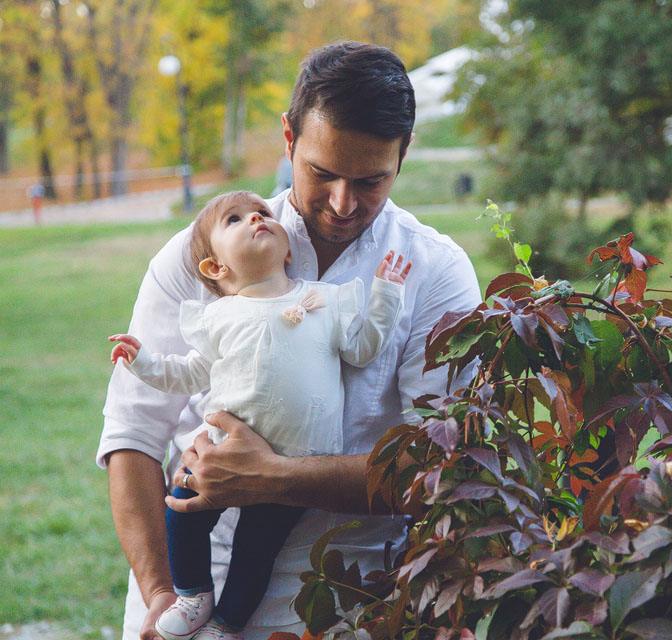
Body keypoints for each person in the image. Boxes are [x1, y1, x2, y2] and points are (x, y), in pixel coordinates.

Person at [98, 42, 481, 640]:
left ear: (403, 154)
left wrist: (275, 476)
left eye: (371, 180)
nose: (343, 203)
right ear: (288, 138)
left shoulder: (435, 272)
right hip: (191, 588)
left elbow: (438, 466)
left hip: (353, 600)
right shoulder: (201, 252)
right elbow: (133, 434)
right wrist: (158, 593)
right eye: (322, 174)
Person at [108, 190, 410, 640]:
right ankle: (193, 594)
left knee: (257, 549)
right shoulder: (217, 317)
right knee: (182, 512)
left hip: (297, 462)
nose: (254, 218)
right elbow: (188, 373)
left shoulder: (323, 301)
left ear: (288, 251)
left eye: (262, 213)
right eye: (234, 219)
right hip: (220, 457)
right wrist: (143, 362)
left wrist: (387, 293)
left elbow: (364, 348)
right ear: (215, 268)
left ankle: (226, 625)